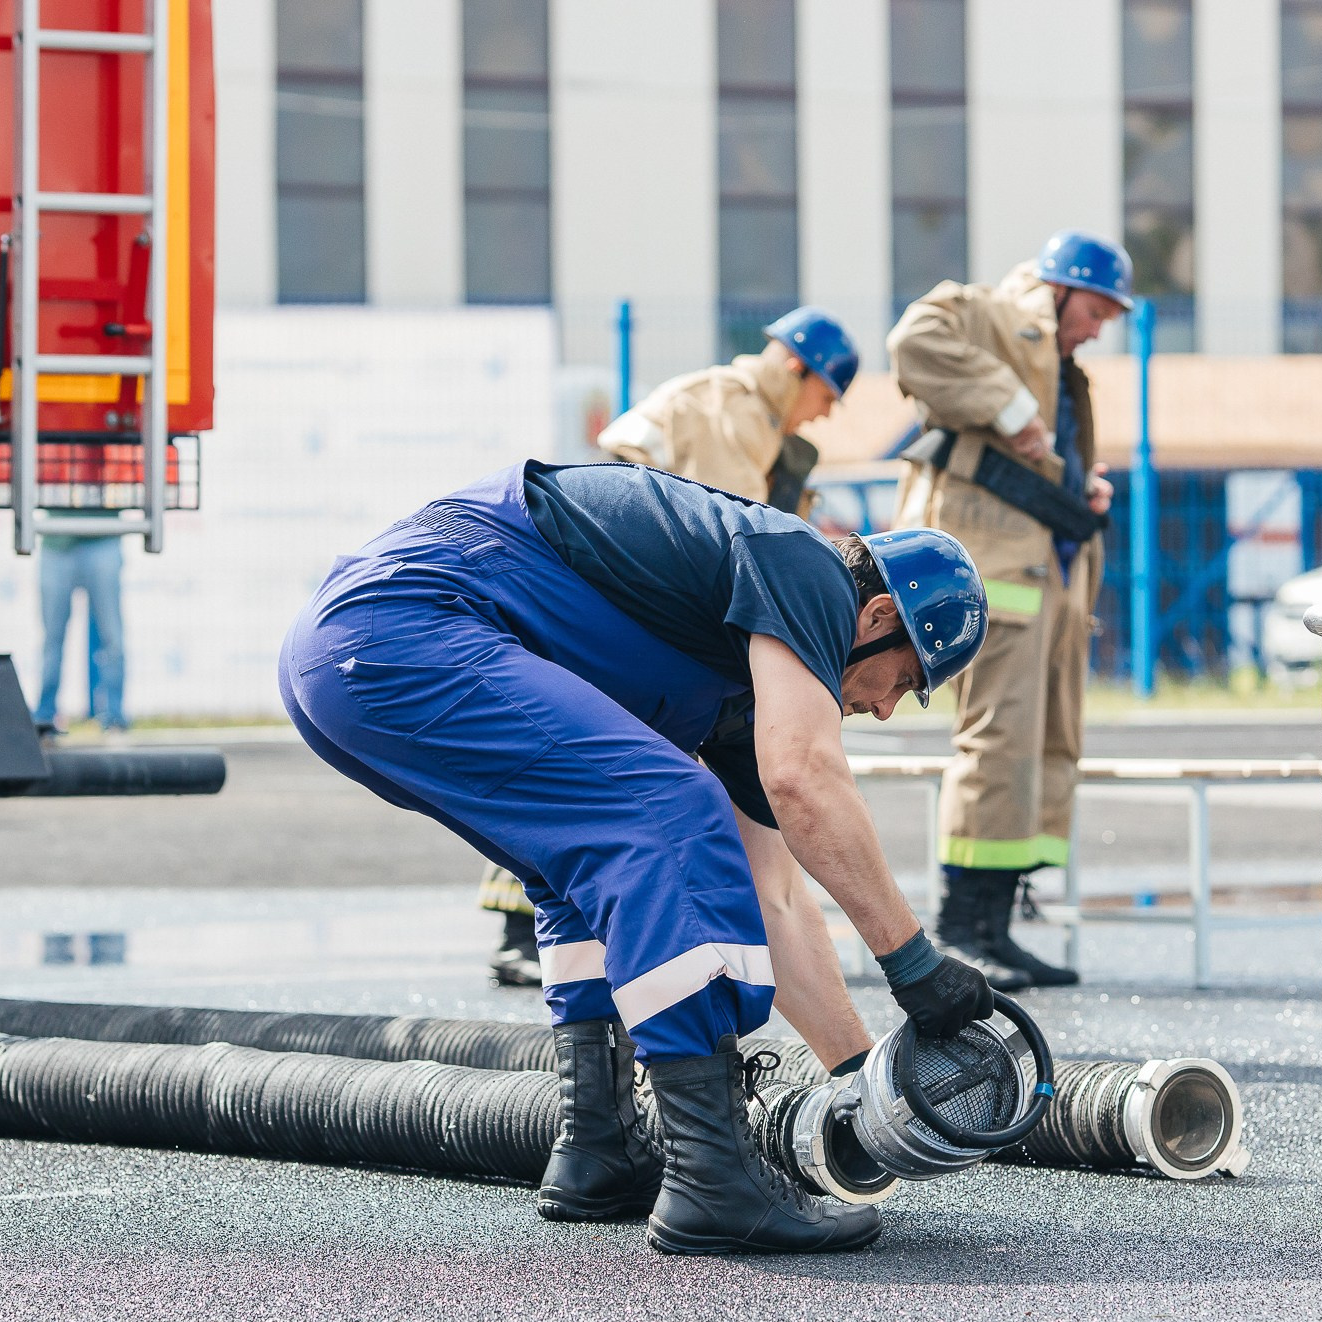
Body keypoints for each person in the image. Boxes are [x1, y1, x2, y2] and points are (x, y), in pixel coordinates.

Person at [281, 460, 988, 1254]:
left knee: (579, 868)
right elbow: (803, 777)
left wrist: (863, 1081)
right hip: (403, 627)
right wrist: (916, 965)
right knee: (668, 808)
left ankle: (601, 1146)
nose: (887, 707)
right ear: (879, 613)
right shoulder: (806, 566)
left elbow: (776, 898)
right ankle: (713, 1178)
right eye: (904, 678)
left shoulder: (738, 684)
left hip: (349, 660)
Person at [481, 308, 860, 987]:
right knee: (588, 753)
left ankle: (557, 925)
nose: (822, 415)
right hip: (617, 588)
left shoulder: (731, 403)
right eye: (825, 397)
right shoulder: (734, 409)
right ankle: (530, 929)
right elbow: (735, 535)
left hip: (606, 576)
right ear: (798, 368)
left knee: (585, 747)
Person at [886, 229, 1130, 992]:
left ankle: (995, 924)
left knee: (1039, 746)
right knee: (996, 745)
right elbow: (912, 341)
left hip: (1046, 578)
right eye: (1094, 311)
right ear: (1059, 288)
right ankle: (962, 928)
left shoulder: (1063, 370)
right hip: (995, 575)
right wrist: (1009, 400)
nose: (1098, 330)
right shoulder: (990, 314)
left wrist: (1080, 489)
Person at [34, 530, 128, 735]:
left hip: (102, 537)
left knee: (112, 638)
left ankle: (115, 719)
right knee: (52, 640)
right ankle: (45, 717)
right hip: (57, 542)